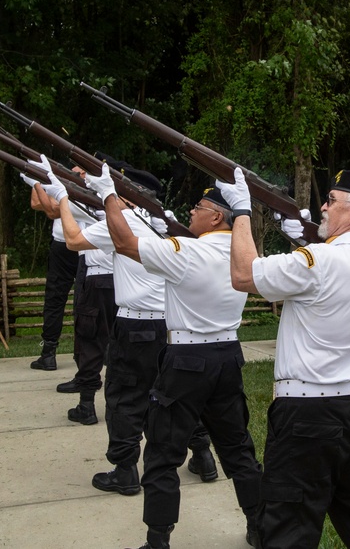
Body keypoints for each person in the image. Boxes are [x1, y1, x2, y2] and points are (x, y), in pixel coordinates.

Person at [218, 168, 350, 549]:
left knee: (288, 527)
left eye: (331, 202)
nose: (322, 206)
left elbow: (243, 274)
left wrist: (240, 212)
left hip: (305, 415)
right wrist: (300, 233)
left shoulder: (318, 261)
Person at [86, 174, 263, 549]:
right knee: (238, 449)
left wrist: (109, 196)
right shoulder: (244, 254)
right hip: (228, 356)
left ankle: (157, 541)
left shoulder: (188, 251)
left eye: (198, 208)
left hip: (186, 359)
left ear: (216, 217)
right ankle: (259, 526)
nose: (190, 212)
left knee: (163, 455)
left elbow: (124, 242)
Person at [52, 163, 218, 497]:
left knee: (124, 397)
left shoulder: (123, 222)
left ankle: (125, 470)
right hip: (172, 326)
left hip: (134, 324)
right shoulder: (166, 222)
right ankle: (203, 454)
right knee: (175, 395)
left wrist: (62, 200)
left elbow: (72, 240)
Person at [37, 163, 115, 425]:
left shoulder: (107, 213)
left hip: (98, 281)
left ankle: (87, 404)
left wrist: (57, 189)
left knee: (91, 343)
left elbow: (67, 227)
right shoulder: (128, 213)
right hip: (123, 285)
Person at [23, 171, 80, 371]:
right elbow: (36, 203)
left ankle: (90, 352)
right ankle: (48, 352)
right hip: (62, 244)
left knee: (86, 301)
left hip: (85, 247)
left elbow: (53, 210)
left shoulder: (91, 186)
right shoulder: (62, 181)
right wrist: (42, 187)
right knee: (54, 299)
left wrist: (40, 187)